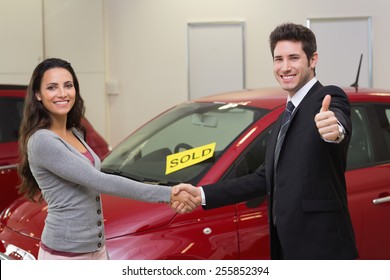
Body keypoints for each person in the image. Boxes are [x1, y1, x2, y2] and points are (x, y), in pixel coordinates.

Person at [172, 22, 358, 260]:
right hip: (286, 249)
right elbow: (264, 178)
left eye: (293, 58)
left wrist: (334, 129)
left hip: (323, 250)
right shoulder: (285, 116)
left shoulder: (327, 97)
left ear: (313, 60)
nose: (285, 67)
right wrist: (201, 194)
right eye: (278, 59)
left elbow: (337, 122)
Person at [17, 58, 201, 260]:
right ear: (38, 95)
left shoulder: (74, 132)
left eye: (68, 85)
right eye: (52, 87)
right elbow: (99, 180)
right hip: (65, 255)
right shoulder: (43, 140)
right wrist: (169, 194)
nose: (62, 93)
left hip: (96, 249)